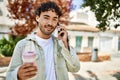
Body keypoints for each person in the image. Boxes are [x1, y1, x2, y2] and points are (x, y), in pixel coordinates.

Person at [6, 1, 80, 80]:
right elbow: (9, 76)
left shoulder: (61, 45)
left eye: (54, 19)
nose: (50, 23)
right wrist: (17, 75)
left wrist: (65, 43)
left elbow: (75, 68)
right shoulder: (22, 45)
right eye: (46, 17)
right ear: (37, 18)